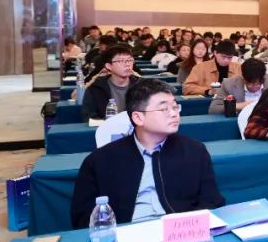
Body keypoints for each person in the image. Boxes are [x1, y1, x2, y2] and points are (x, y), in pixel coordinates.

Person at [71, 78, 224, 228]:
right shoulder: (100, 161)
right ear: (138, 117)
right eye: (164, 109)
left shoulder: (194, 151)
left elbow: (212, 201)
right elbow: (83, 218)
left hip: (181, 233)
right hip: (126, 236)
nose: (174, 114)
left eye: (175, 107)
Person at [82, 45, 141, 121]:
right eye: (121, 61)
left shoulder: (141, 86)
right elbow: (89, 117)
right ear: (109, 66)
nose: (127, 64)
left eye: (130, 60)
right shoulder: (95, 88)